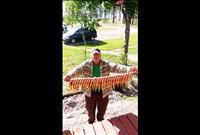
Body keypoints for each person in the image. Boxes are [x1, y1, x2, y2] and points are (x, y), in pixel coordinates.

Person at [64, 48, 137, 124]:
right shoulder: (86, 64)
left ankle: (101, 123)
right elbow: (77, 70)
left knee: (101, 112)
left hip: (103, 92)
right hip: (90, 92)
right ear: (91, 56)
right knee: (90, 113)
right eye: (94, 55)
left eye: (97, 55)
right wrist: (70, 75)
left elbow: (117, 67)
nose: (96, 57)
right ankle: (91, 123)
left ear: (100, 56)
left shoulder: (106, 64)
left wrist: (129, 69)